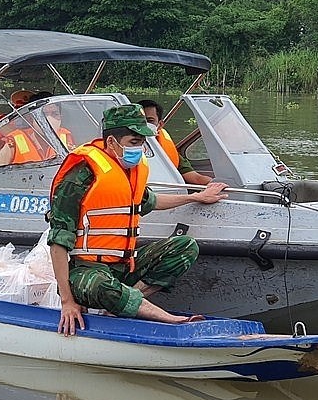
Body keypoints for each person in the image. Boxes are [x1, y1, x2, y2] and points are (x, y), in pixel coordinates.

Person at [48, 104, 228, 336]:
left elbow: (151, 201)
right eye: (134, 142)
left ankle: (122, 305)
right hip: (86, 271)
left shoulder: (129, 170)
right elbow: (57, 242)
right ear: (112, 142)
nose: (140, 148)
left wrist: (197, 197)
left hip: (123, 268)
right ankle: (171, 320)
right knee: (102, 287)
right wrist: (67, 302)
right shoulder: (80, 176)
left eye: (142, 142)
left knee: (185, 247)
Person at [137, 99, 213, 185]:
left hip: (167, 191)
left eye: (150, 121)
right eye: (139, 120)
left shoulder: (165, 147)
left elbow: (194, 177)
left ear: (160, 124)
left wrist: (214, 184)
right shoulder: (125, 147)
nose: (144, 124)